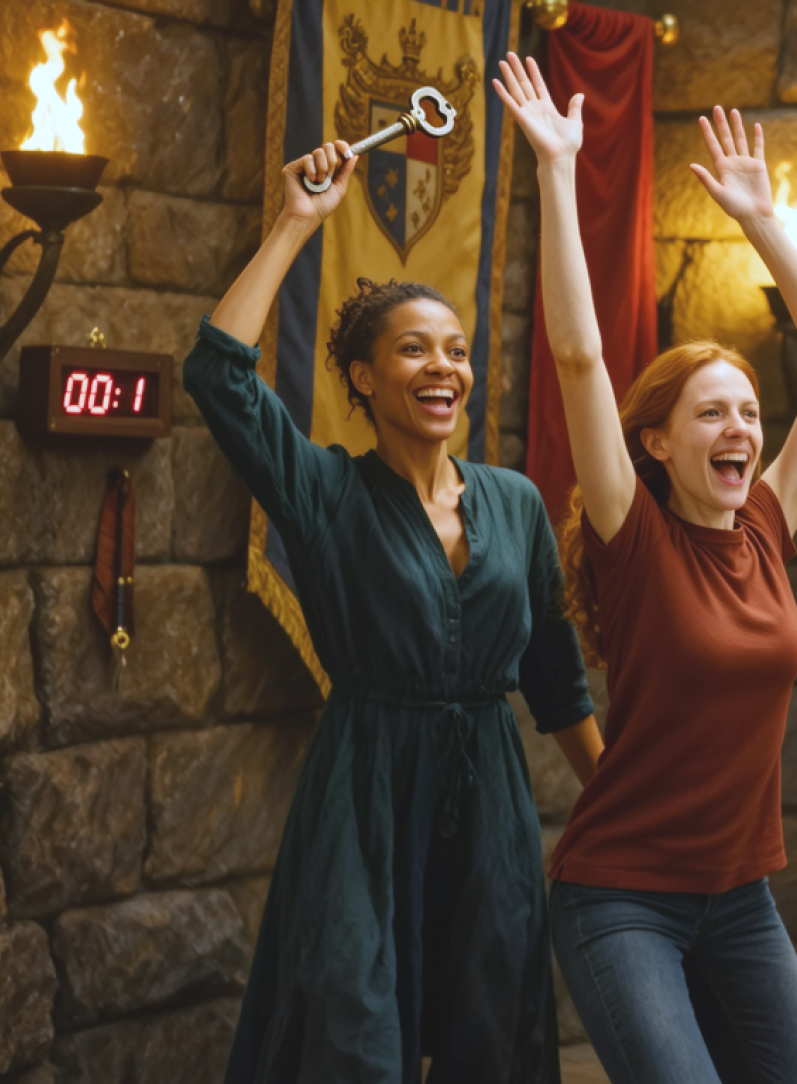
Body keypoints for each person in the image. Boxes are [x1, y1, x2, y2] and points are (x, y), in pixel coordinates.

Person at [188, 139, 599, 1083]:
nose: (443, 368)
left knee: (489, 1034)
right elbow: (218, 378)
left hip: (489, 797)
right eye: (413, 350)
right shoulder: (325, 489)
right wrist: (298, 221)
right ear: (364, 379)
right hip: (364, 792)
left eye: (456, 352)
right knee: (349, 1020)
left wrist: (616, 805)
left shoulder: (518, 501)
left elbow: (556, 682)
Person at [494, 54, 797, 1084]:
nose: (740, 425)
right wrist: (559, 171)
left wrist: (764, 224)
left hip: (739, 898)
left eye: (748, 410)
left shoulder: (769, 527)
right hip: (622, 897)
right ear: (656, 443)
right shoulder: (636, 541)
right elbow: (578, 358)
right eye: (712, 411)